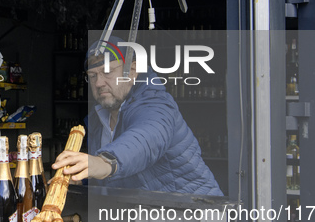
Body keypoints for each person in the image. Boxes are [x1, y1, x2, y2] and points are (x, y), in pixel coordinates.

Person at [52, 36, 223, 196]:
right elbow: (115, 179)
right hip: (148, 219)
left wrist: (105, 162)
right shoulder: (98, 120)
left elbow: (145, 138)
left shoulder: (156, 104)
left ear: (132, 71)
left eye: (107, 71)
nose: (99, 83)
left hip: (196, 216)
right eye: (93, 75)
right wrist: (80, 179)